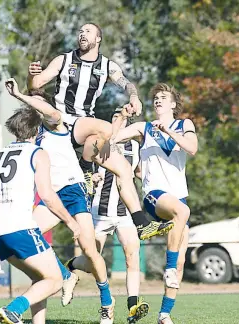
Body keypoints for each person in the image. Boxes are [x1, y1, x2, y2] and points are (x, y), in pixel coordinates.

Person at [27, 23, 173, 240]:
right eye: (80, 31)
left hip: (86, 130)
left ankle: (141, 224)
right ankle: (86, 170)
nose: (82, 34)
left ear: (98, 39)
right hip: (62, 126)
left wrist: (134, 97)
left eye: (88, 31)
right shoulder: (64, 60)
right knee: (104, 127)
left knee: (124, 169)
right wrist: (31, 75)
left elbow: (126, 84)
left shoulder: (106, 66)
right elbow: (35, 85)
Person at [5, 78, 115, 324]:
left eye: (38, 104)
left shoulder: (57, 123)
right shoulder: (33, 134)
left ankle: (107, 301)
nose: (36, 109)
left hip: (73, 191)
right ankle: (66, 275)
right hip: (50, 196)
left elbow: (51, 111)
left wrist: (20, 95)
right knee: (25, 235)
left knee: (88, 248)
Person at [0, 108, 81, 324]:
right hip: (20, 228)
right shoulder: (37, 153)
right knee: (56, 280)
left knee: (40, 279)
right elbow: (48, 196)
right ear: (38, 130)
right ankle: (13, 309)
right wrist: (71, 222)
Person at [114, 83, 198, 324]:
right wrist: (122, 116)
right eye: (156, 98)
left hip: (177, 199)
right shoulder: (144, 127)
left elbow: (192, 148)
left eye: (163, 97)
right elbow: (113, 137)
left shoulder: (185, 125)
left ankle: (164, 315)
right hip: (155, 196)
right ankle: (168, 267)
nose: (158, 100)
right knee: (182, 212)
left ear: (173, 104)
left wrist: (169, 131)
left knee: (181, 263)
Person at [64, 108, 149, 324]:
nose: (119, 120)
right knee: (93, 260)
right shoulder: (98, 141)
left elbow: (139, 174)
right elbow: (82, 170)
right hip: (99, 211)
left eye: (122, 117)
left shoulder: (135, 147)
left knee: (132, 255)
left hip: (125, 212)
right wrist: (91, 177)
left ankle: (133, 306)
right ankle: (73, 265)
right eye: (115, 117)